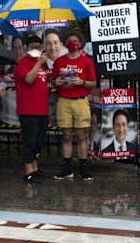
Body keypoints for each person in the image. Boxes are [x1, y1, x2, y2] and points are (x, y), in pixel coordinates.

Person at [51, 30, 96, 181]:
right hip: (64, 100)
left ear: (80, 44)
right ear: (65, 43)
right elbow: (53, 80)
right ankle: (67, 167)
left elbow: (93, 82)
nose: (72, 43)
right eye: (69, 41)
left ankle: (84, 167)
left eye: (75, 41)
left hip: (80, 100)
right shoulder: (59, 61)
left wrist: (82, 82)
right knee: (67, 135)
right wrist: (56, 82)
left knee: (81, 135)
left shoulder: (86, 62)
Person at [14, 36, 49, 184]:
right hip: (28, 110)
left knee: (39, 141)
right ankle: (28, 170)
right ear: (27, 48)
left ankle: (35, 167)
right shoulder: (22, 63)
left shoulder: (42, 64)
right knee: (29, 140)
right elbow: (29, 79)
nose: (36, 49)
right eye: (33, 46)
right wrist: (39, 62)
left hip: (42, 109)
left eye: (38, 46)